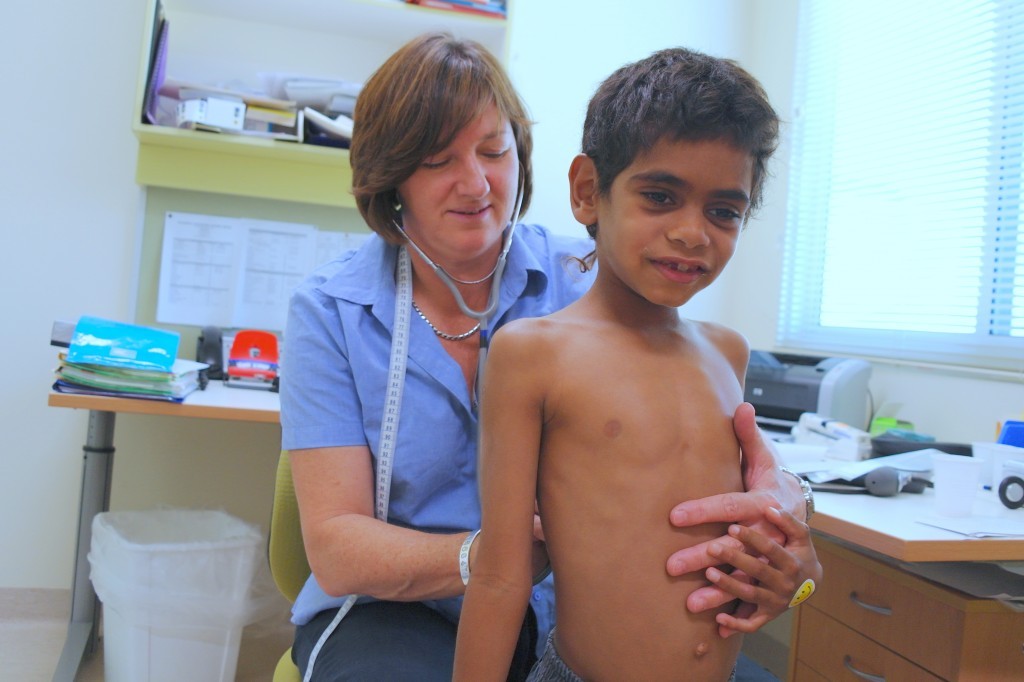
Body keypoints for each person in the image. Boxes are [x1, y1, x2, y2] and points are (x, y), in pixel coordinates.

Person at [280, 33, 820, 681]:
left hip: (578, 614)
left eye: (494, 151)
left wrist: (789, 511)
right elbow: (338, 547)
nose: (476, 183)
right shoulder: (333, 309)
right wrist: (500, 556)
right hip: (404, 609)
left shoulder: (602, 273)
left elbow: (717, 461)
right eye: (437, 159)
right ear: (390, 176)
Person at [453, 47, 822, 682]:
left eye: (724, 211)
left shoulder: (727, 352)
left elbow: (764, 523)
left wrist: (795, 562)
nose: (692, 233)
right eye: (660, 196)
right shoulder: (532, 353)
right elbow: (500, 577)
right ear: (588, 192)